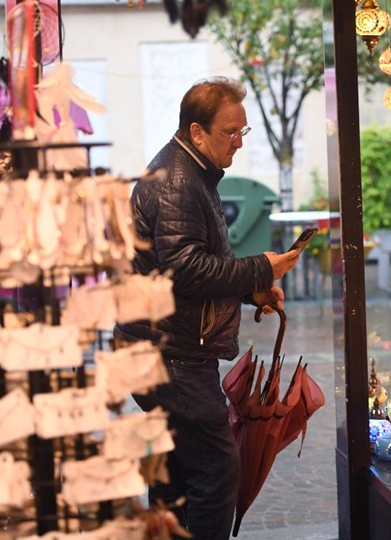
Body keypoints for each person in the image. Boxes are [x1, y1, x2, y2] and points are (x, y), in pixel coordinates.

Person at [114, 77, 301, 540]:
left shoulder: (190, 171)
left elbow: (187, 266)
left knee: (176, 476)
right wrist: (261, 270)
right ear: (197, 132)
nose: (238, 143)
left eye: (244, 132)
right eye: (229, 133)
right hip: (170, 353)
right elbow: (186, 270)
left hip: (162, 346)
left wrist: (248, 291)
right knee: (216, 472)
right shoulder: (180, 180)